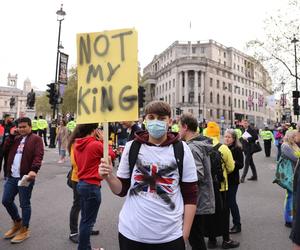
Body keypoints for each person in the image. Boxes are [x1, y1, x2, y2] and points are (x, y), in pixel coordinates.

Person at [99, 100, 198, 250]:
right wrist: (109, 176)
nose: (155, 121)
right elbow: (121, 190)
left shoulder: (182, 149)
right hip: (131, 234)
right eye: (151, 117)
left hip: (170, 237)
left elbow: (190, 195)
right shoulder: (132, 146)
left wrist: (184, 235)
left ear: (170, 121)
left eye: (161, 118)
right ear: (144, 120)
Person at [1, 117, 44, 243]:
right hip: (12, 176)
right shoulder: (16, 138)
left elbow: (38, 155)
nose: (21, 129)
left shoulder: (36, 139)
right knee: (6, 200)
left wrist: (34, 170)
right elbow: (5, 149)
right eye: (19, 127)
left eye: (24, 126)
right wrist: (11, 136)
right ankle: (17, 222)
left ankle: (25, 229)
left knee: (24, 203)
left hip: (25, 177)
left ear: (30, 126)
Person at [74, 123, 115, 250]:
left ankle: (85, 247)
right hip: (92, 185)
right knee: (88, 222)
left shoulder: (77, 144)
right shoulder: (96, 144)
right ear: (94, 130)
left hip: (81, 183)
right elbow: (111, 155)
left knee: (85, 220)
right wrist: (104, 140)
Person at [179, 113, 215, 250]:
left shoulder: (191, 148)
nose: (177, 131)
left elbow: (197, 175)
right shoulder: (199, 143)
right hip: (201, 199)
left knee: (196, 239)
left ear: (185, 127)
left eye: (179, 127)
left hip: (196, 200)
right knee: (197, 237)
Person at [204, 122, 239, 249]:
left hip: (206, 187)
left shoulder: (201, 147)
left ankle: (211, 240)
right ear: (218, 134)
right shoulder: (224, 148)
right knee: (224, 213)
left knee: (209, 213)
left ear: (206, 133)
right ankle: (226, 240)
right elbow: (231, 168)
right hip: (221, 186)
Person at [67, 125, 102, 244]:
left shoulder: (88, 142)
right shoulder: (76, 143)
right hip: (78, 178)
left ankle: (86, 229)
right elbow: (74, 162)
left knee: (86, 207)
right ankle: (74, 232)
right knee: (77, 205)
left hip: (85, 178)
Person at [224, 129, 244, 234]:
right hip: (223, 180)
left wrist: (232, 162)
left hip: (233, 180)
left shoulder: (237, 149)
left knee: (231, 202)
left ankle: (237, 224)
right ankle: (225, 224)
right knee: (225, 203)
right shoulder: (223, 148)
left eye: (229, 137)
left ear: (234, 139)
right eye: (225, 137)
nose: (226, 139)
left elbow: (241, 165)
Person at [280, 131, 300, 228]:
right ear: (291, 137)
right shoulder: (286, 146)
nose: (297, 137)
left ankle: (292, 217)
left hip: (294, 174)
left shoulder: (293, 145)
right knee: (290, 197)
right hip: (289, 175)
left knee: (293, 196)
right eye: (295, 135)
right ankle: (288, 220)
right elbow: (295, 158)